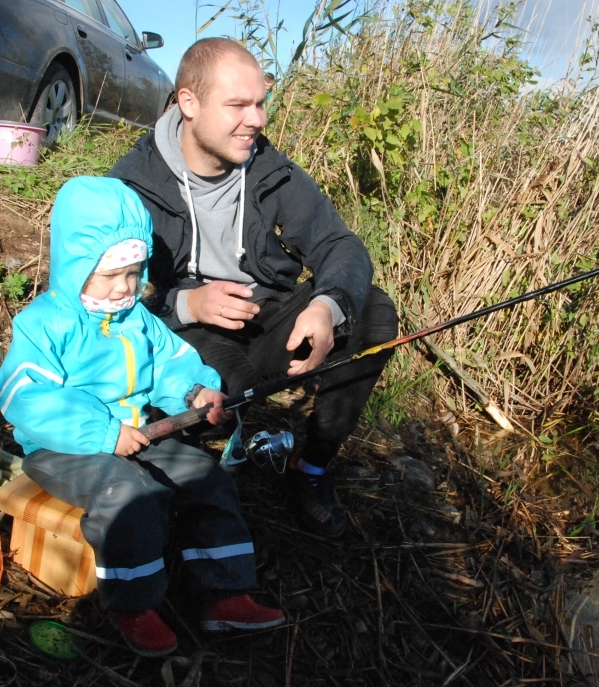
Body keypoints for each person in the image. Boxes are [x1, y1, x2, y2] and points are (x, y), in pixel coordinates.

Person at [108, 37, 399, 538]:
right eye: (238, 105)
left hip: (265, 316)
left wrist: (328, 307)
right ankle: (201, 466)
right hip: (183, 332)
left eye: (260, 103)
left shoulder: (267, 166)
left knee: (373, 313)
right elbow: (108, 295)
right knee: (225, 394)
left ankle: (311, 468)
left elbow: (339, 244)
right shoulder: (133, 184)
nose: (257, 119)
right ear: (189, 103)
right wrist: (187, 302)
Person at [0, 176, 284, 657]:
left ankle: (225, 593)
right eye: (110, 276)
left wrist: (193, 390)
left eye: (133, 273)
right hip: (60, 448)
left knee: (206, 477)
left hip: (140, 431)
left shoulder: (137, 317)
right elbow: (25, 396)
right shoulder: (44, 324)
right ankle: (132, 603)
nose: (124, 287)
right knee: (129, 493)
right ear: (75, 265)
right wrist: (105, 433)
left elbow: (169, 362)